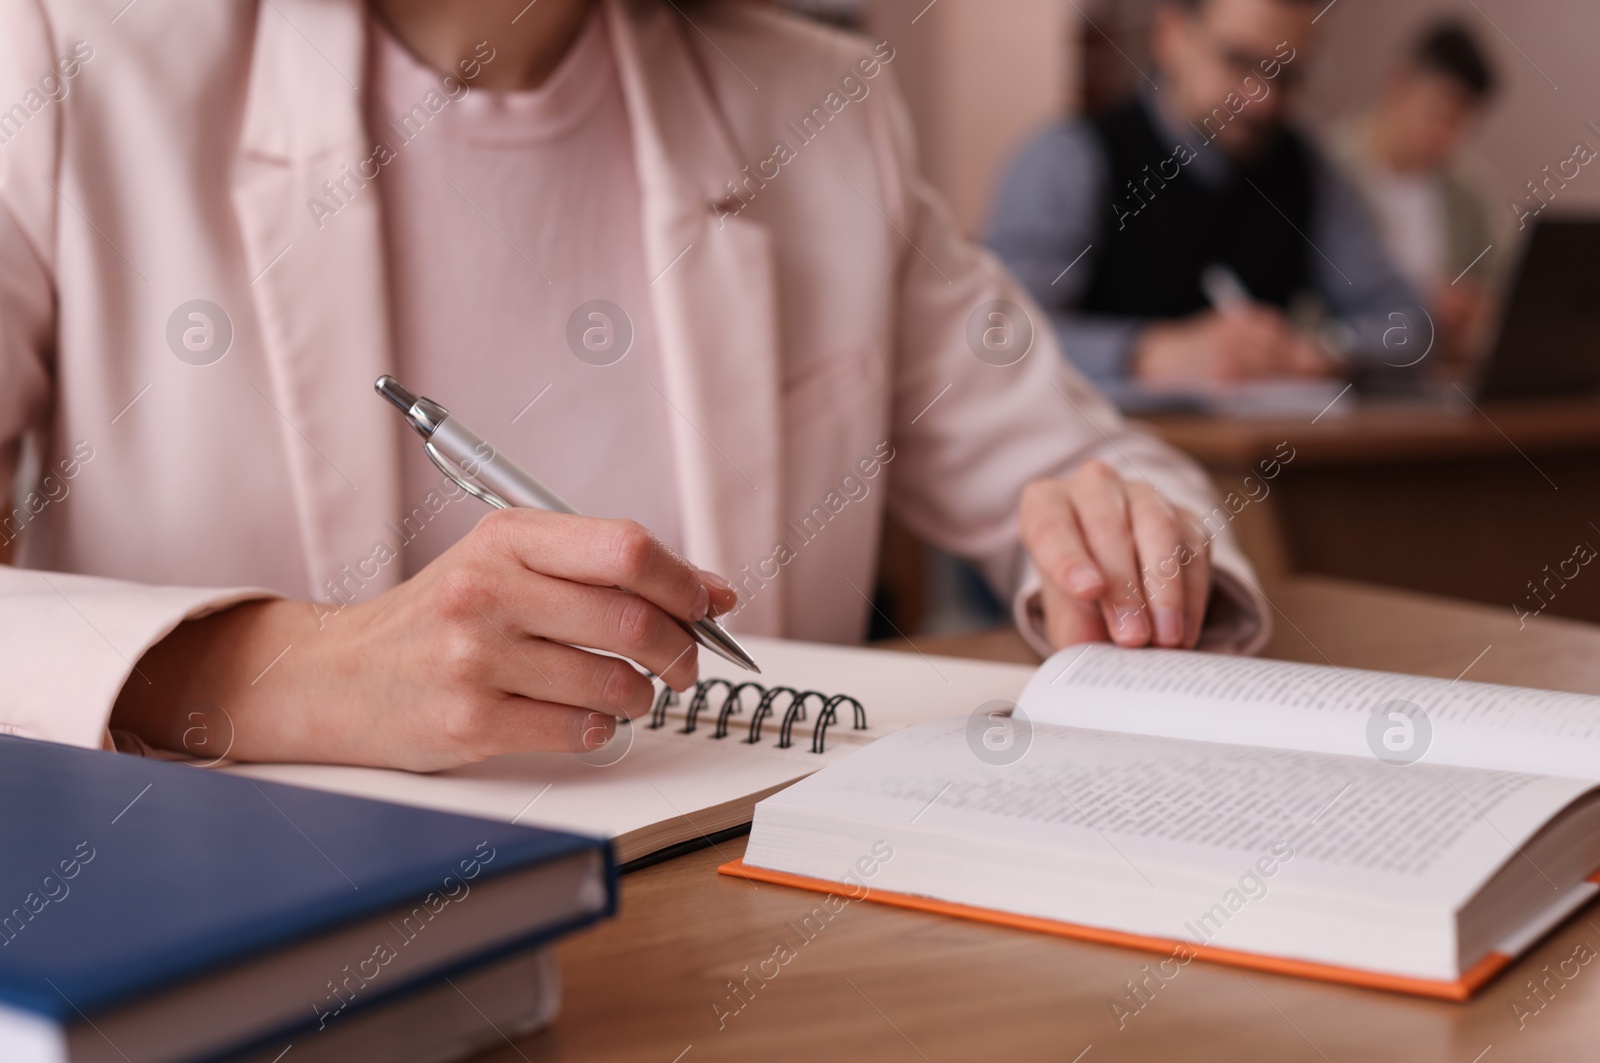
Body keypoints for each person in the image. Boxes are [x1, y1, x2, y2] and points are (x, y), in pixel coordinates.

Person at [0, 0, 1268, 773]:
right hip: (244, 945)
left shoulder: (821, 110)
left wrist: (1132, 547)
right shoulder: (61, 64)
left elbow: (1093, 463)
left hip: (729, 931)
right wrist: (283, 671)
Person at [987, 0, 1423, 392]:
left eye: (1286, 75)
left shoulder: (1307, 168)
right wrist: (1142, 354)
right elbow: (1000, 337)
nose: (1261, 101)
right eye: (1238, 61)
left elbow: (1409, 324)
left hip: (1259, 461)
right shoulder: (1068, 159)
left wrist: (1327, 350)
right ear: (1171, 35)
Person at [1329, 20, 1500, 368]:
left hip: (1442, 382)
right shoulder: (1328, 172)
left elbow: (1504, 293)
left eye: (1460, 124)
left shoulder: (1471, 197)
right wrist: (1420, 309)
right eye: (1438, 114)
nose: (1445, 135)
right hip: (1349, 382)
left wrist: (1477, 314)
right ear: (1398, 85)